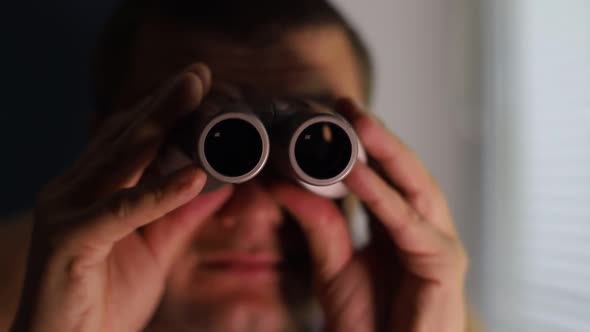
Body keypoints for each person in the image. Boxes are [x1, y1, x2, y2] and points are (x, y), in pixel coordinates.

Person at [2, 0, 475, 331]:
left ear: (368, 160)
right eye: (208, 146)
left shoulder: (428, 313)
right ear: (102, 151)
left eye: (314, 149)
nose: (253, 210)